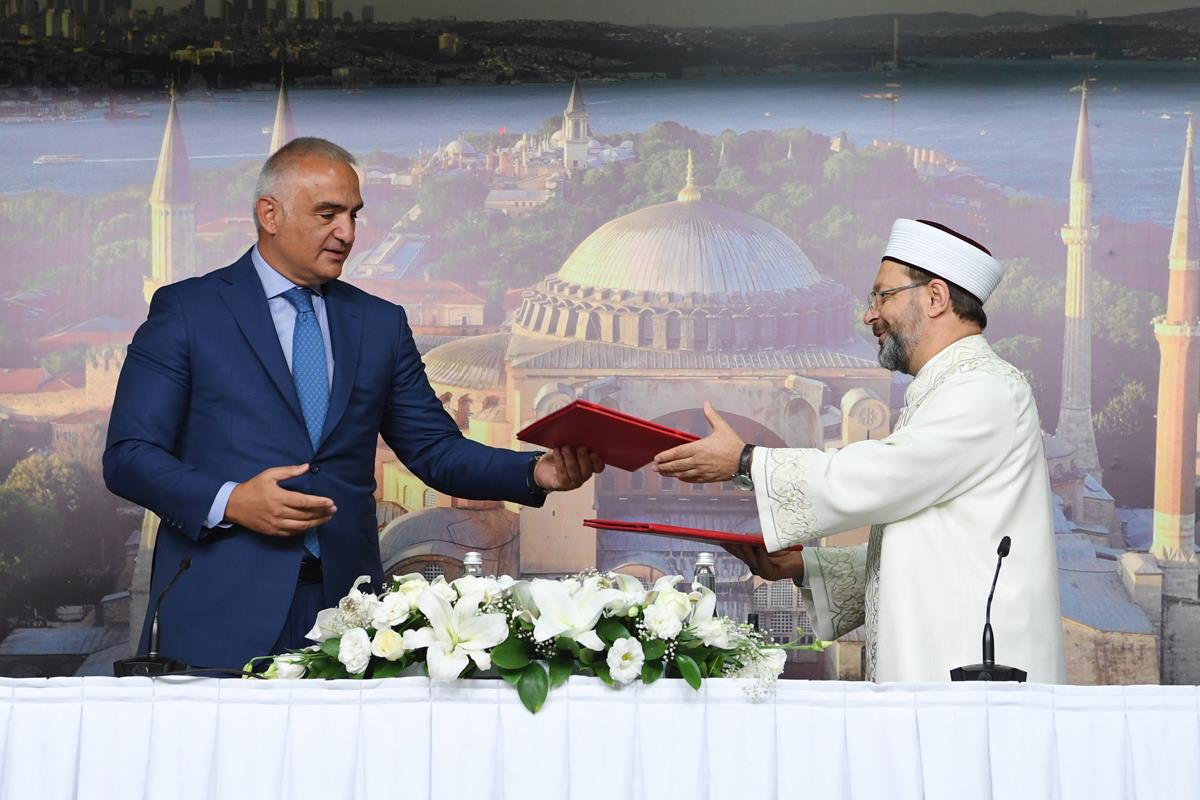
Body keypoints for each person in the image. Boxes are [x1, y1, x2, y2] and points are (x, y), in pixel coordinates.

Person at [104, 137, 603, 671]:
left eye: (353, 215)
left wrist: (536, 471)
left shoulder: (379, 323)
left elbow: (435, 450)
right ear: (269, 214)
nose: (347, 233)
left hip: (352, 615)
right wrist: (231, 501)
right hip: (218, 608)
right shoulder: (187, 310)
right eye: (328, 214)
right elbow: (129, 456)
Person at [653, 218, 1066, 683]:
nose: (870, 315)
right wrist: (802, 565)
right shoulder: (947, 387)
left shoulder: (985, 389)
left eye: (882, 296)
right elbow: (932, 541)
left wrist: (747, 461)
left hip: (971, 673)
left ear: (935, 298)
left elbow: (888, 475)